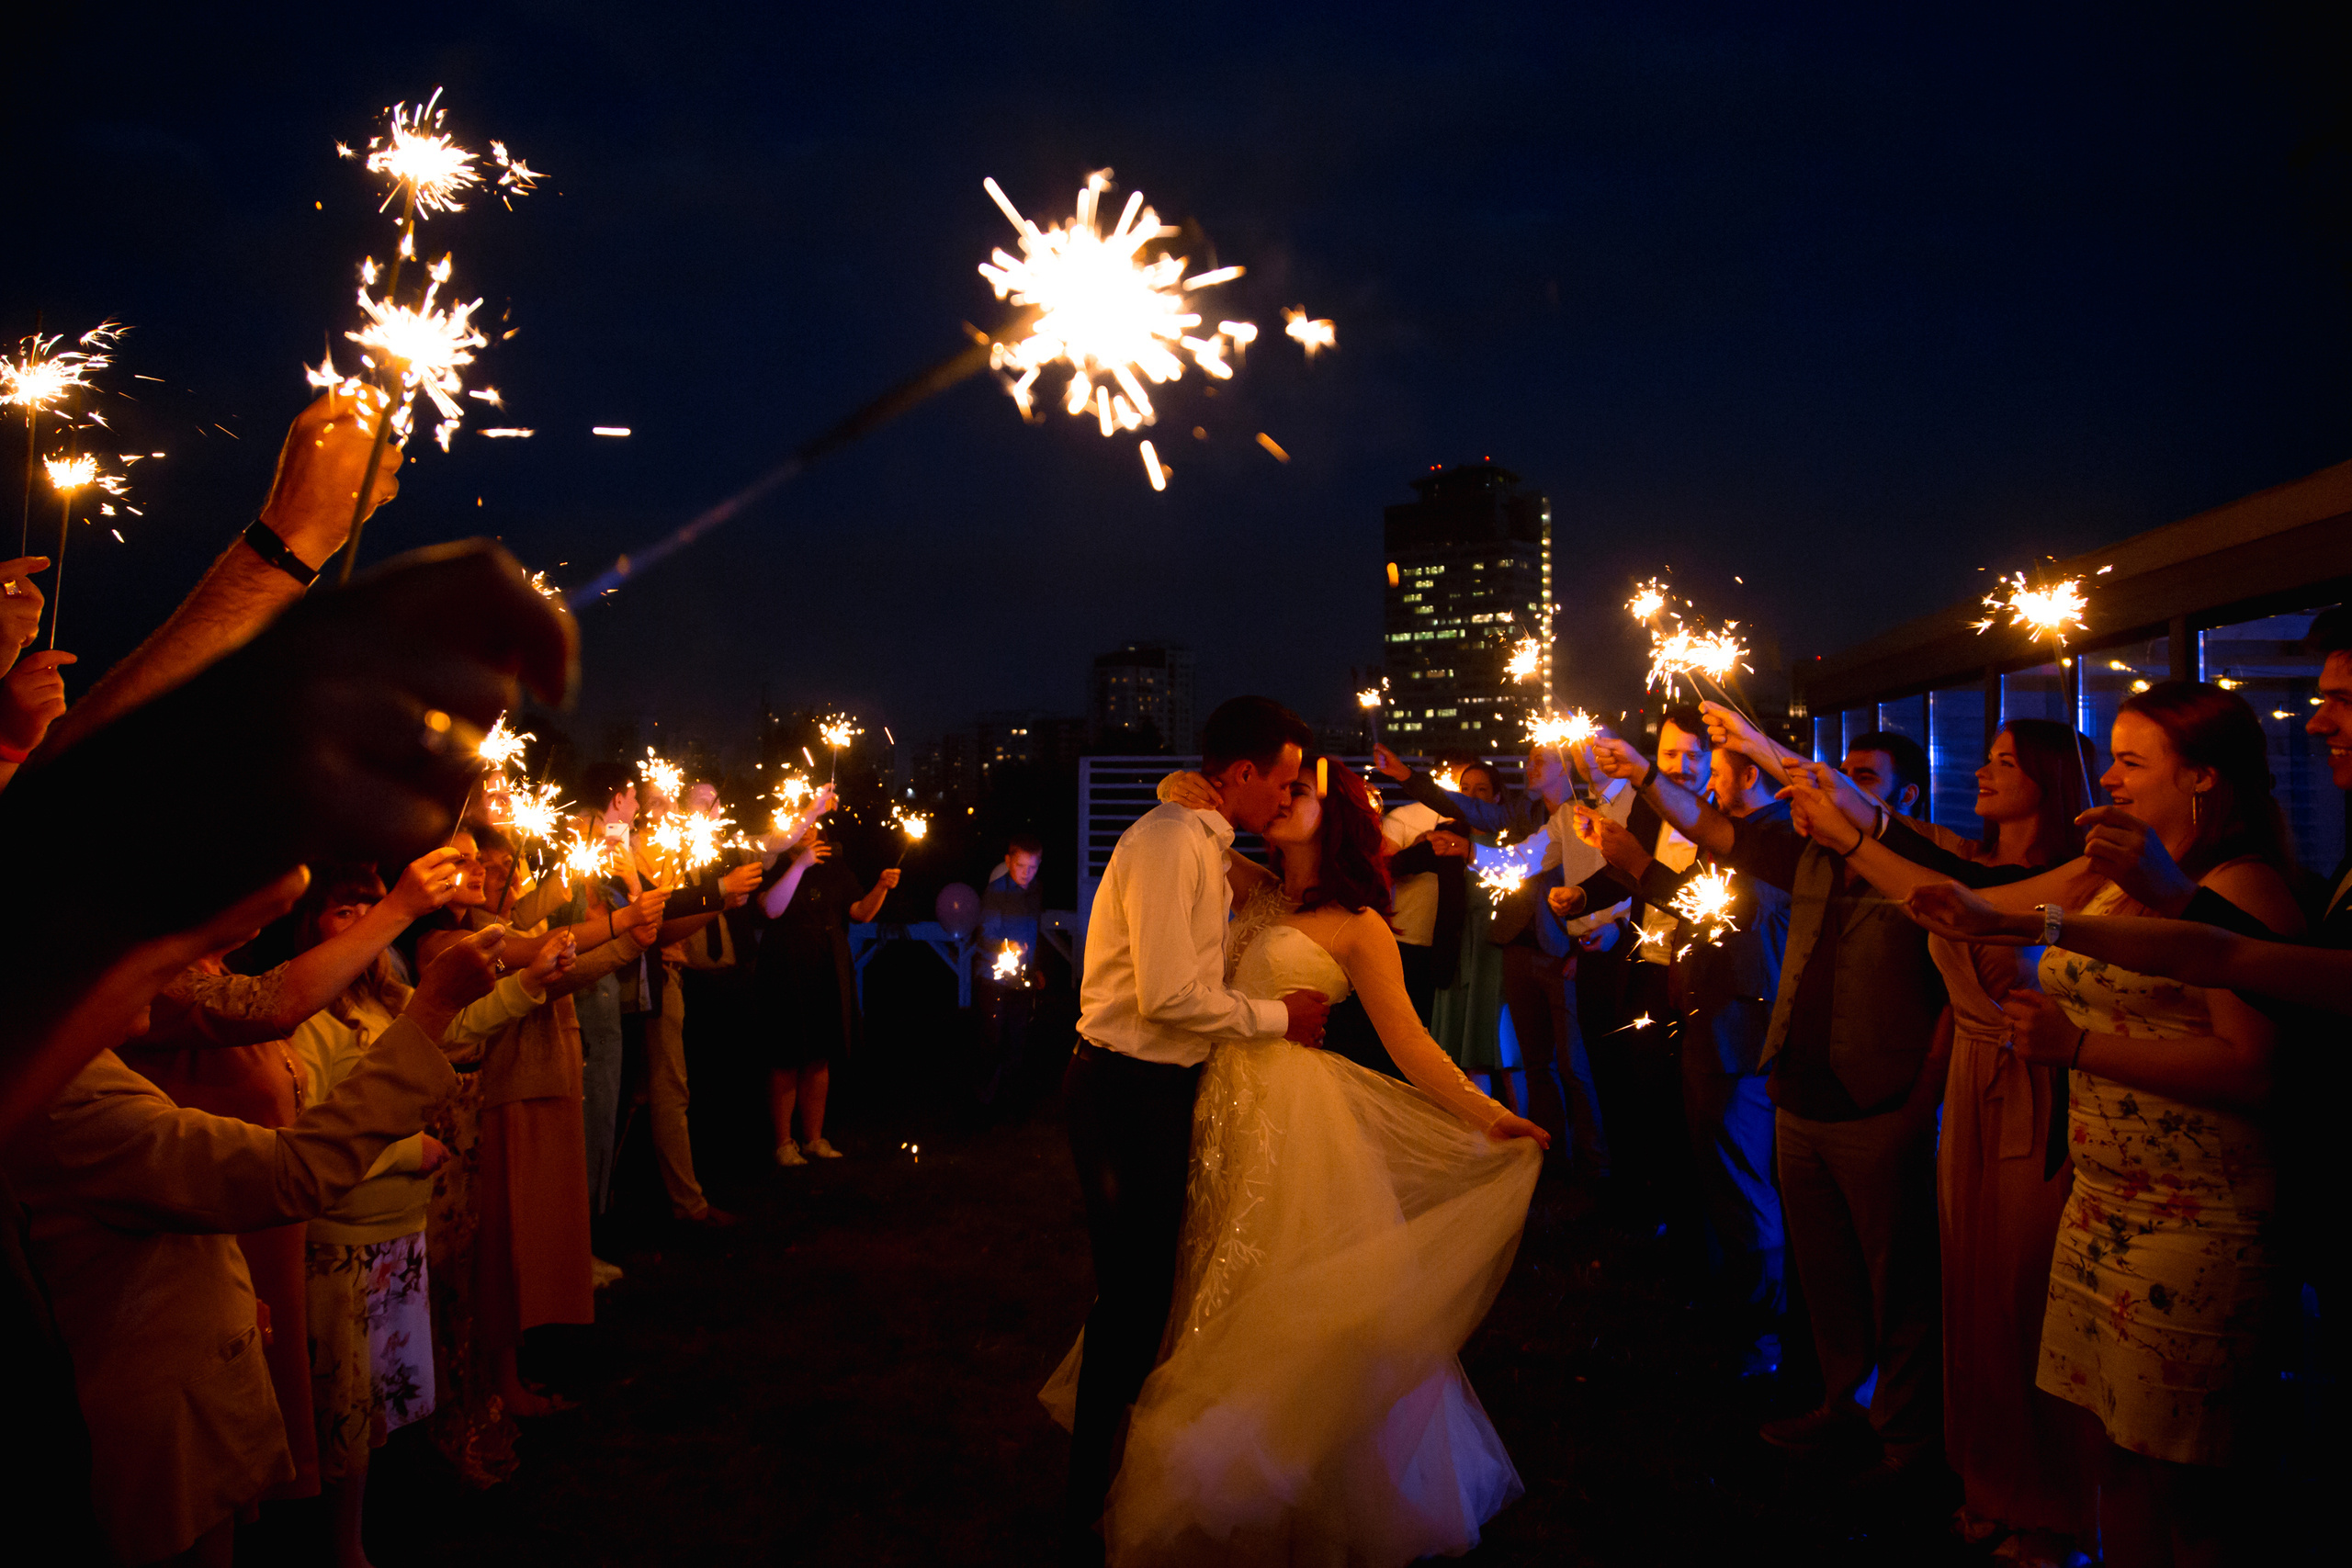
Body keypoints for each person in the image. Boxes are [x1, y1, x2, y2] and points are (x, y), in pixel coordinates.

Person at [1783, 682, 2301, 1564]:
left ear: (2205, 779)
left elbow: (2256, 1065)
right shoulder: (2116, 870)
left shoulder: (2239, 885)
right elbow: (2016, 906)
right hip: (2103, 1207)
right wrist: (1884, 855)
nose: (2110, 777)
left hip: (2189, 1219)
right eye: (2109, 760)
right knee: (2118, 1457)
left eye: (2133, 762)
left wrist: (2078, 1045)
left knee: (2192, 1490)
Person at [1053, 752, 1549, 1563]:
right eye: (1281, 784)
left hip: (1296, 1123)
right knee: (1197, 1284)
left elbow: (1411, 1043)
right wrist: (1170, 789)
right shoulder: (1257, 887)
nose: (1283, 797)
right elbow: (1196, 835)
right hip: (1214, 1110)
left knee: (1282, 1295)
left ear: (1341, 814)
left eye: (1301, 791)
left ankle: (1284, 1472)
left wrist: (1491, 1112)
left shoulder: (1360, 927)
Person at [5, 921, 508, 1565]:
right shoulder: (70, 1099)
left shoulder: (88, 1069)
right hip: (152, 1429)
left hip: (188, 1388)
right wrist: (431, 1006)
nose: (169, 973)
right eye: (140, 950)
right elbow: (288, 1172)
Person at [1750, 710, 2100, 1557]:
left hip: (2022, 1083)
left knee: (2014, 1298)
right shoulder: (1970, 860)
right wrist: (1797, 776)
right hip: (1972, 1093)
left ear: (2050, 780)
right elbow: (1913, 860)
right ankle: (1988, 1478)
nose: (1983, 771)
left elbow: (1960, 910)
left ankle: (2050, 1504)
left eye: (2004, 760)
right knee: (1972, 1295)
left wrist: (1847, 813)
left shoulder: (2065, 879)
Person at [1588, 723, 1951, 1484]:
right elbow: (1717, 832)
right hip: (1797, 1079)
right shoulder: (1804, 851)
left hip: (1870, 1092)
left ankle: (1908, 1438)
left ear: (1905, 796)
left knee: (1895, 1273)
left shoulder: (1916, 863)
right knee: (1828, 1270)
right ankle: (1843, 1401)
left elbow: (1726, 913)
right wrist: (1648, 774)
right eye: (1836, 771)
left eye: (1863, 777)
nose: (1837, 786)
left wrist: (1752, 743)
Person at [1057, 696, 1330, 1562]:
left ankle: (1127, 1469)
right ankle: (1085, 1499)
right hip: (1122, 1088)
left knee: (1152, 1293)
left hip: (1155, 1088)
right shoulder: (1172, 842)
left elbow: (1277, 889)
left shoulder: (1201, 839)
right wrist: (1279, 1018)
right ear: (1241, 774)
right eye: (1282, 781)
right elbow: (1169, 995)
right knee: (1133, 1300)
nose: (1287, 797)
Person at [1575, 732, 1792, 1379]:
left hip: (1740, 1036)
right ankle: (1733, 1308)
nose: (1707, 787)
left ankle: (1765, 1341)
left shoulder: (1770, 840)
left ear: (1747, 774)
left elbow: (1716, 915)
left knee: (1745, 1188)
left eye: (1717, 772)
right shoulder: (1737, 835)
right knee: (1719, 1182)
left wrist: (1640, 861)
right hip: (1709, 1027)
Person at [1375, 742, 1621, 1180]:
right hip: (1514, 945)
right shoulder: (1523, 815)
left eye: (1540, 760)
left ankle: (1598, 1167)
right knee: (1535, 1063)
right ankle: (1553, 1160)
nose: (1529, 766)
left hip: (1566, 950)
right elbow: (1507, 850)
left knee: (1574, 1064)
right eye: (1526, 759)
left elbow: (1617, 881)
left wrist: (1589, 936)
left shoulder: (1595, 815)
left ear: (1567, 767)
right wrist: (1408, 779)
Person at [755, 821, 897, 1165]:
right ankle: (783, 1143)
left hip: (827, 960)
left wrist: (881, 887)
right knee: (787, 1054)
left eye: (814, 823)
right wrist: (799, 864)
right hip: (786, 960)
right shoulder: (771, 861)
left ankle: (814, 1139)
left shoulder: (834, 864)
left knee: (820, 1053)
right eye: (801, 822)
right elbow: (770, 908)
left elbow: (859, 912)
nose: (808, 829)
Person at [978, 834, 1046, 1105]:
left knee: (1018, 1040)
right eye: (1021, 866)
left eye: (1033, 867)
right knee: (992, 1041)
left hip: (1020, 982)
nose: (1027, 874)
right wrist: (1008, 946)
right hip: (993, 981)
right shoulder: (996, 893)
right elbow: (984, 937)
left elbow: (1034, 932)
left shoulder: (1035, 891)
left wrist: (1036, 967)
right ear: (1008, 862)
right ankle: (984, 1102)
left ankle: (1010, 1101)